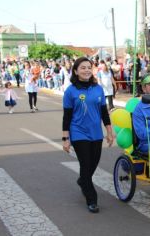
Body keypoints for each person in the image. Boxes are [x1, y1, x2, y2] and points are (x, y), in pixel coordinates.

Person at [62, 57, 114, 213]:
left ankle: (82, 181)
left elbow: (104, 113)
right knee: (85, 164)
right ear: (76, 71)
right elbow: (67, 116)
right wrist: (66, 139)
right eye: (82, 68)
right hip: (78, 133)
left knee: (93, 163)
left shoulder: (97, 89)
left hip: (96, 133)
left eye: (88, 67)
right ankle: (92, 199)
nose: (86, 70)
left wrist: (109, 132)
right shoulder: (70, 91)